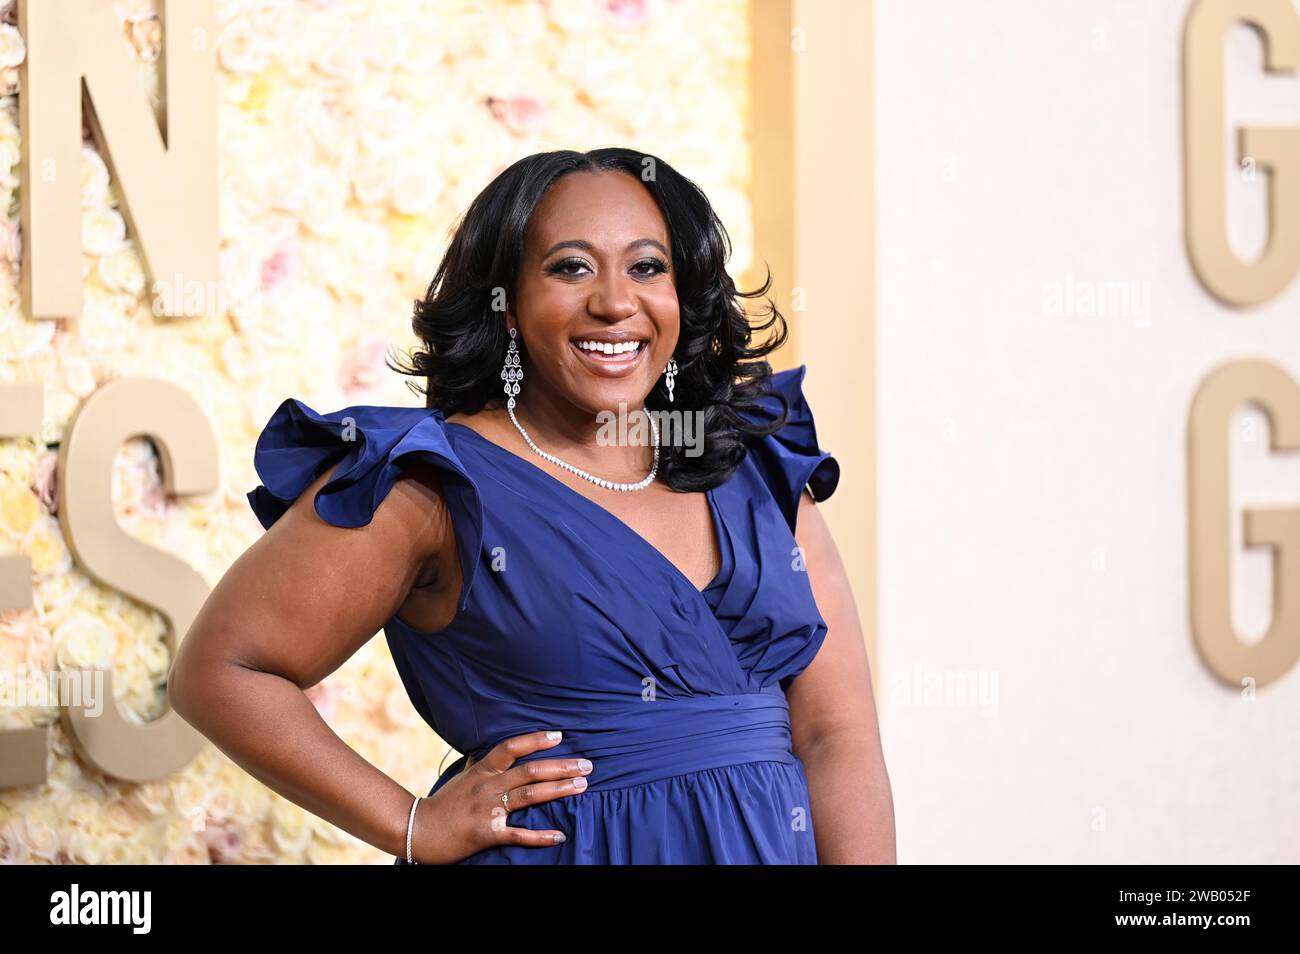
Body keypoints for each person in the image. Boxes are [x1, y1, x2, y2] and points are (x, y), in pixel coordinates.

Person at [168, 147, 895, 864]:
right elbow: (222, 669)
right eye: (570, 267)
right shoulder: (432, 481)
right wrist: (412, 825)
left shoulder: (756, 463)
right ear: (506, 304)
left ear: (685, 293)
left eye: (648, 266)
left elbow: (839, 737)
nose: (615, 302)